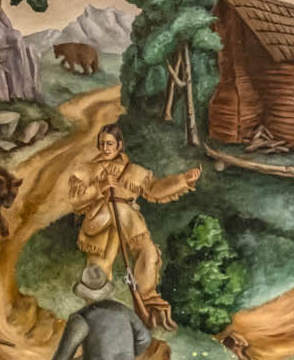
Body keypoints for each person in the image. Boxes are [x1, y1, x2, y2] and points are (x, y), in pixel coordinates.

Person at [66, 121, 198, 331]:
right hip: (100, 223)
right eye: (102, 144)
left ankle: (148, 305)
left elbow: (154, 189)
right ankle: (97, 323)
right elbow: (76, 200)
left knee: (148, 253)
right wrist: (100, 187)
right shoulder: (88, 170)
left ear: (119, 145)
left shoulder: (134, 171)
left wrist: (182, 180)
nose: (105, 148)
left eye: (110, 144)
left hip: (129, 222)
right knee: (97, 273)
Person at [34, 265, 151, 360]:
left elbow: (66, 352)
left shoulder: (80, 318)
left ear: (84, 294)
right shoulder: (123, 310)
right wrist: (125, 356)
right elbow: (145, 339)